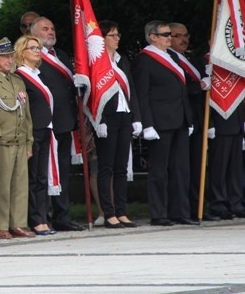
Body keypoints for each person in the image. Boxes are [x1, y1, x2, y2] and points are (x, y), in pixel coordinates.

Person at [131, 20, 196, 226]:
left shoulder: (172, 56)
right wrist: (146, 123)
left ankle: (180, 211)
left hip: (179, 120)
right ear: (153, 37)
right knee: (159, 170)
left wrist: (189, 118)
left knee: (180, 169)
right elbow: (142, 94)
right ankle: (159, 213)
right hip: (159, 122)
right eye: (166, 34)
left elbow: (181, 90)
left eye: (170, 34)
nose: (170, 37)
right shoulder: (144, 59)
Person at [30, 17, 83, 231]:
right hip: (45, 124)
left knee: (62, 172)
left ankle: (62, 216)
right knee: (42, 174)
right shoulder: (33, 58)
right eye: (45, 29)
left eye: (52, 28)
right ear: (33, 34)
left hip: (65, 123)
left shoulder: (60, 55)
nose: (50, 32)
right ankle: (42, 217)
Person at [94, 21, 141, 229]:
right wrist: (100, 120)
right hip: (107, 118)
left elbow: (131, 89)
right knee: (106, 167)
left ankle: (121, 211)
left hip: (125, 115)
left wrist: (137, 117)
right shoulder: (97, 62)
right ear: (102, 39)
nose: (117, 38)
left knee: (121, 166)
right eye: (112, 35)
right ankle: (109, 213)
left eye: (117, 35)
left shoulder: (122, 61)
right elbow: (94, 96)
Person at [0, 37, 35, 239]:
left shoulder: (17, 81)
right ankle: (2, 225)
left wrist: (29, 141)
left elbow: (26, 115)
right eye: (5, 57)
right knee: (3, 186)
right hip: (3, 141)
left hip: (19, 140)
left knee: (20, 185)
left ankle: (19, 223)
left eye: (11, 56)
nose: (9, 60)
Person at [14, 35, 57, 235]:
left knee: (41, 177)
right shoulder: (20, 76)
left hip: (45, 128)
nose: (37, 51)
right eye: (32, 48)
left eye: (38, 47)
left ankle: (43, 217)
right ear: (22, 52)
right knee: (32, 177)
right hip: (32, 131)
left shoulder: (38, 74)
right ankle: (35, 219)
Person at [168, 22, 209, 221]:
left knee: (197, 167)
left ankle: (197, 207)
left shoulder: (191, 58)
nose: (183, 40)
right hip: (182, 119)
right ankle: (183, 210)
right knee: (182, 168)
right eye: (177, 36)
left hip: (199, 119)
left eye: (186, 35)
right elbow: (181, 87)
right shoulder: (169, 59)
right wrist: (200, 86)